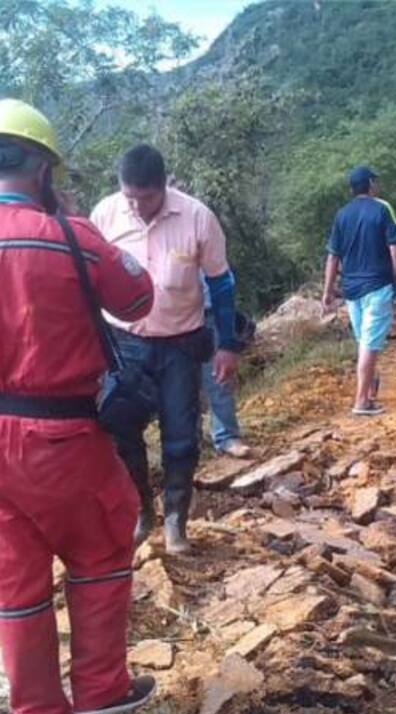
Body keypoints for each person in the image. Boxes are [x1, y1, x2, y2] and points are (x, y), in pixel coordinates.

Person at [0, 99, 158, 714]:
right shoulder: (73, 237)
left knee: (13, 585)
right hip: (62, 436)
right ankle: (101, 690)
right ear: (44, 167)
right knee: (101, 550)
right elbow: (139, 300)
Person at [91, 146, 241, 553]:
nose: (137, 206)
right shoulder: (105, 215)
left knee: (181, 437)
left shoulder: (196, 217)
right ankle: (142, 512)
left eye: (147, 198)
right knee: (122, 433)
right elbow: (88, 283)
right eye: (130, 198)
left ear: (164, 187)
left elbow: (222, 285)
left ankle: (177, 521)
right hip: (124, 346)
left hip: (180, 344)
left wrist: (227, 344)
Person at [320, 165, 396, 416]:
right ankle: (361, 401)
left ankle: (369, 391)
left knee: (364, 343)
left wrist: (327, 291)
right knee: (369, 345)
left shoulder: (342, 215)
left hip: (352, 290)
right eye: (376, 182)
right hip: (378, 287)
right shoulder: (382, 209)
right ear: (370, 184)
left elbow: (332, 256)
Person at [200, 273, 253, 459]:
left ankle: (226, 437)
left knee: (219, 378)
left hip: (205, 313)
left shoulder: (200, 242)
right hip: (160, 324)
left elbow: (222, 278)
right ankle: (189, 442)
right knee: (179, 388)